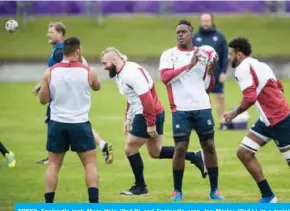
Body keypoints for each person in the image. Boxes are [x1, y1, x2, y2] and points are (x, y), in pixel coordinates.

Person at [224, 37, 290, 203]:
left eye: (231, 54)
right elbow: (279, 86)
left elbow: (250, 97)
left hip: (279, 120)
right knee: (244, 152)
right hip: (268, 120)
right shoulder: (261, 65)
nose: (229, 58)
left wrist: (235, 113)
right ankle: (268, 196)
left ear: (239, 55)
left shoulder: (242, 69)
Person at [101, 47, 206, 196]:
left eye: (105, 63)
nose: (104, 67)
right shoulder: (121, 73)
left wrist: (150, 123)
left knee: (129, 149)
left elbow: (146, 99)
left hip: (147, 113)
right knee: (156, 152)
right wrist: (127, 118)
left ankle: (140, 186)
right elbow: (132, 97)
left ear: (114, 60)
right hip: (152, 112)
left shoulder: (131, 74)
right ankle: (195, 156)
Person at [159, 20, 223, 201]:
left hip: (202, 106)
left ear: (191, 33)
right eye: (178, 32)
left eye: (183, 32)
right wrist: (189, 65)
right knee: (180, 148)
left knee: (209, 146)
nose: (180, 34)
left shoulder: (203, 55)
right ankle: (177, 191)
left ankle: (215, 190)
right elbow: (164, 78)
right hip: (181, 109)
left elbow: (207, 87)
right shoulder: (169, 55)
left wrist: (210, 71)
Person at [33, 22, 113, 165]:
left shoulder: (60, 52)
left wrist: (43, 85)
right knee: (79, 122)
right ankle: (102, 145)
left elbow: (65, 70)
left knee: (59, 122)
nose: (48, 34)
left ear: (61, 34)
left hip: (61, 97)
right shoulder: (62, 50)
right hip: (69, 98)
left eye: (51, 32)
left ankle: (52, 156)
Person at [39, 37, 100, 203]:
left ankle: (48, 204)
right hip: (80, 123)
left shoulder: (50, 72)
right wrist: (86, 66)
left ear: (63, 53)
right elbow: (97, 86)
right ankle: (94, 203)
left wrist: (46, 84)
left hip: (57, 122)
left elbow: (43, 100)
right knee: (90, 164)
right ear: (78, 52)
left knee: (53, 164)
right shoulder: (88, 71)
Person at [193, 13, 228, 130]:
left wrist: (224, 72)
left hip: (216, 74)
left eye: (207, 21)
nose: (205, 23)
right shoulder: (195, 38)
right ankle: (202, 122)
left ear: (212, 21)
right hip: (199, 75)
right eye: (203, 21)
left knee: (220, 97)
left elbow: (224, 56)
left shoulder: (220, 37)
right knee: (201, 99)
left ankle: (223, 121)